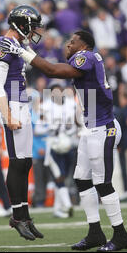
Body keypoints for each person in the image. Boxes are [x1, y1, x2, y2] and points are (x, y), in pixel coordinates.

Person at [0, 29, 127, 251]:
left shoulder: (87, 57)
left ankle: (120, 235)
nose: (67, 45)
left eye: (72, 42)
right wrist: (28, 50)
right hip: (90, 128)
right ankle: (95, 233)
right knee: (82, 179)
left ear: (84, 46)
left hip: (104, 128)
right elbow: (51, 67)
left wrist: (22, 52)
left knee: (103, 183)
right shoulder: (85, 60)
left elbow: (52, 70)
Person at [0, 5, 44, 241]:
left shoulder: (19, 45)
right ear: (22, 24)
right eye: (32, 26)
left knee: (26, 162)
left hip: (21, 103)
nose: (35, 31)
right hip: (11, 104)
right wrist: (7, 113)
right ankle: (18, 216)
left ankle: (25, 216)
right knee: (17, 162)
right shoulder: (1, 44)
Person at [41, 80, 77, 218]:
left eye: (59, 90)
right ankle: (67, 206)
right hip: (52, 146)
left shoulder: (70, 105)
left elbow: (75, 124)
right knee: (59, 176)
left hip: (67, 145)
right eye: (54, 90)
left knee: (63, 176)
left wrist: (70, 130)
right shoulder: (45, 107)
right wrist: (52, 129)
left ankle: (57, 209)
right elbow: (38, 127)